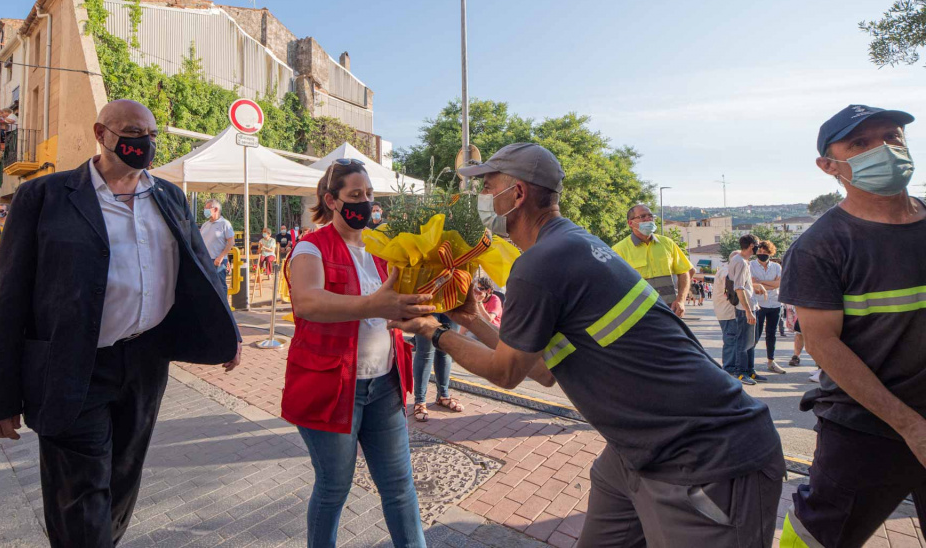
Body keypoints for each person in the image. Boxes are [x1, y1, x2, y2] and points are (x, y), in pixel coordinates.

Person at [393, 143, 784, 547]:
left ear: (518, 194)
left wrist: (432, 331)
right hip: (639, 449)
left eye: (487, 187)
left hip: (708, 458)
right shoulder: (570, 243)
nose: (481, 199)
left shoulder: (541, 262)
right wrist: (472, 318)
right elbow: (541, 370)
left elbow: (505, 373)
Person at [0, 100, 242, 548]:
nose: (145, 142)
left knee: (121, 481)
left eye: (152, 135)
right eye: (134, 131)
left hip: (145, 363)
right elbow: (6, 297)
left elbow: (200, 269)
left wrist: (227, 334)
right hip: (72, 366)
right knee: (79, 497)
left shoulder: (169, 196)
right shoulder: (45, 197)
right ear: (102, 133)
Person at [778, 104, 926, 548]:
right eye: (861, 143)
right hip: (865, 427)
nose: (883, 149)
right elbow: (824, 345)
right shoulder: (818, 248)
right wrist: (911, 425)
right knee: (817, 537)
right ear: (829, 165)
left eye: (892, 137)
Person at [284, 158, 433, 548]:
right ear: (331, 201)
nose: (365, 203)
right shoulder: (310, 247)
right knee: (334, 487)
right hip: (332, 386)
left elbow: (397, 306)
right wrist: (375, 306)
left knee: (400, 487)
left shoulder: (385, 249)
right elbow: (307, 302)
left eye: (369, 194)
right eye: (355, 195)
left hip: (384, 385)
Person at [612, 204, 691, 316]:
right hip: (638, 315)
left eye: (650, 216)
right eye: (643, 216)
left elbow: (684, 272)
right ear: (630, 223)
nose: (648, 219)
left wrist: (681, 300)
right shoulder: (618, 250)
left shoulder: (667, 243)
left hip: (669, 311)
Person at [412, 312, 464, 422]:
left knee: (446, 351)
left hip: (453, 302)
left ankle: (443, 396)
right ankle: (420, 401)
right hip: (426, 301)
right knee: (425, 353)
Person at [728, 234, 764, 385]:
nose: (758, 249)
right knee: (744, 341)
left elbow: (745, 286)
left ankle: (750, 370)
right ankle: (741, 372)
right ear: (751, 246)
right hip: (744, 308)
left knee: (751, 341)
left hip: (749, 306)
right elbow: (739, 288)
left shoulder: (742, 261)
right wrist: (748, 311)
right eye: (757, 246)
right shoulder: (741, 262)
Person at [751, 241, 786, 374]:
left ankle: (771, 361)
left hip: (775, 303)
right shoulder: (751, 265)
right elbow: (753, 283)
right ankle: (750, 363)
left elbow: (778, 284)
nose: (762, 255)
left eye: (765, 253)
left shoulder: (777, 266)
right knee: (756, 333)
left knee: (772, 334)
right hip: (759, 304)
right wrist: (769, 285)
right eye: (760, 252)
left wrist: (761, 283)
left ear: (770, 253)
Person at [199, 198, 234, 296]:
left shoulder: (225, 224)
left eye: (207, 208)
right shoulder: (205, 225)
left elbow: (231, 242)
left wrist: (221, 257)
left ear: (216, 209)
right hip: (205, 260)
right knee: (207, 286)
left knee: (220, 286)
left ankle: (223, 309)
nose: (205, 210)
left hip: (218, 261)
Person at [714, 252, 742, 375]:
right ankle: (729, 367)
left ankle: (732, 366)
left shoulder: (727, 270)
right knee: (731, 339)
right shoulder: (726, 271)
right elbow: (732, 285)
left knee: (733, 339)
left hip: (727, 311)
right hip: (728, 312)